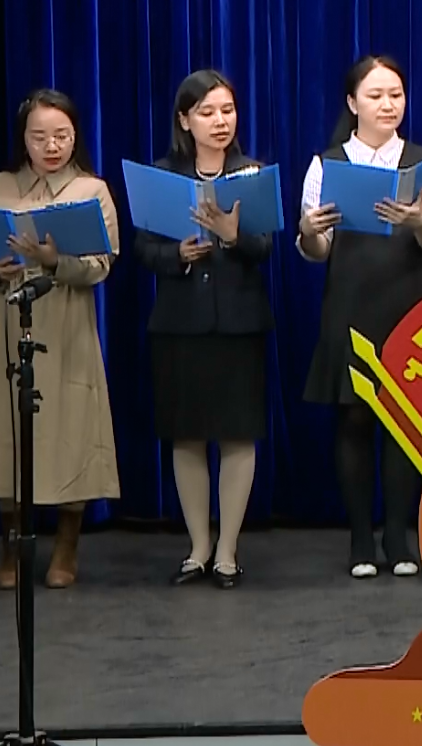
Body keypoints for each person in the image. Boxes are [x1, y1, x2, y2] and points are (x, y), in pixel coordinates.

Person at [298, 55, 422, 579]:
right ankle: (361, 539)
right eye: (376, 95)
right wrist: (310, 232)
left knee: (403, 424)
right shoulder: (327, 164)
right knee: (355, 419)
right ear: (353, 103)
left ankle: (398, 538)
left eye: (396, 95)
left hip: (410, 305)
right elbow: (316, 249)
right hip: (350, 303)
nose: (388, 105)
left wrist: (418, 222)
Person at [0, 89, 121, 590]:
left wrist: (56, 262)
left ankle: (67, 544)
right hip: (11, 323)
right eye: (40, 137)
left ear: (75, 137)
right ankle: (11, 547)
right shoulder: (0, 186)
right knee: (8, 432)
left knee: (73, 430)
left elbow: (102, 262)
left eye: (62, 136)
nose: (52, 146)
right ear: (23, 140)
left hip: (68, 322)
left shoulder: (91, 189)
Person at [133, 70, 273, 590]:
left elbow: (265, 247)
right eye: (207, 112)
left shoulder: (251, 173)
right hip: (181, 322)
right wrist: (176, 254)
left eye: (227, 110)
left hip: (238, 322)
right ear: (184, 119)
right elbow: (142, 248)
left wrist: (234, 236)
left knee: (238, 434)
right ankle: (198, 547)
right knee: (187, 434)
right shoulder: (162, 175)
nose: (220, 121)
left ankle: (228, 550)